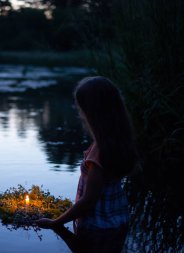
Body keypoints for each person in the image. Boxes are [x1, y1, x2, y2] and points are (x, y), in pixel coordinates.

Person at [36, 76, 138, 253]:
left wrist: (56, 223)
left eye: (81, 108)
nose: (80, 113)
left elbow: (89, 201)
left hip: (97, 227)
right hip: (118, 220)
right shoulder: (121, 140)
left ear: (92, 112)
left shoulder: (99, 152)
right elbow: (132, 171)